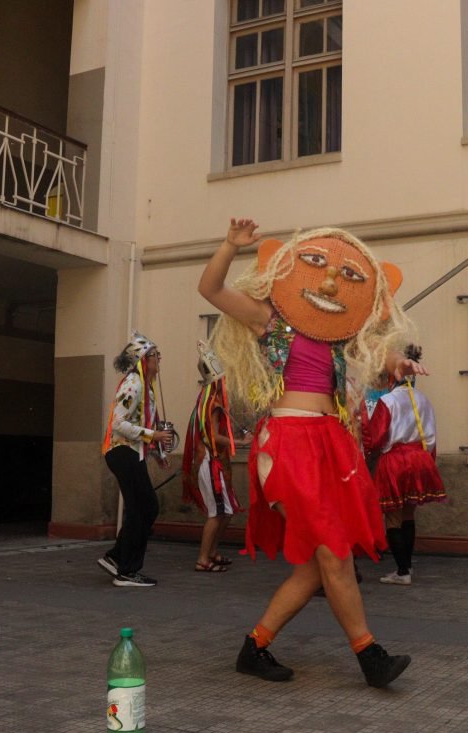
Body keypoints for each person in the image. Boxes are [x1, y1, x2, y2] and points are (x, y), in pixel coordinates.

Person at [199, 218, 421, 688]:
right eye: (317, 266)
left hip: (330, 444)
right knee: (334, 554)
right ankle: (370, 655)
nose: (330, 281)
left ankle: (254, 646)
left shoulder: (339, 337)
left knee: (317, 566)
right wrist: (229, 244)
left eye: (346, 276)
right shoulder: (270, 320)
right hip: (289, 444)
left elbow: (377, 361)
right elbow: (211, 288)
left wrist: (398, 362)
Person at [362, 345, 446, 586]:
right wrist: (427, 462)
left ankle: (402, 571)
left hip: (395, 460)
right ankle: (406, 567)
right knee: (409, 514)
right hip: (419, 457)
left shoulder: (387, 401)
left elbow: (376, 438)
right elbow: (430, 438)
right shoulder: (423, 399)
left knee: (393, 517)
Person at [98, 333, 176, 587]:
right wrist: (153, 435)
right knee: (144, 508)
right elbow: (119, 423)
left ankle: (117, 558)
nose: (159, 359)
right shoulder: (135, 384)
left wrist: (155, 449)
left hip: (129, 452)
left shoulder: (143, 384)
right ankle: (127, 571)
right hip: (122, 452)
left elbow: (137, 424)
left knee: (142, 508)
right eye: (156, 355)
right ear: (144, 360)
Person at [182, 341, 249, 572]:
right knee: (218, 512)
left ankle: (212, 552)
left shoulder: (207, 401)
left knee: (227, 511)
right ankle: (203, 559)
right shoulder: (212, 403)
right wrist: (239, 442)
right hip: (211, 463)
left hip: (214, 463)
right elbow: (213, 436)